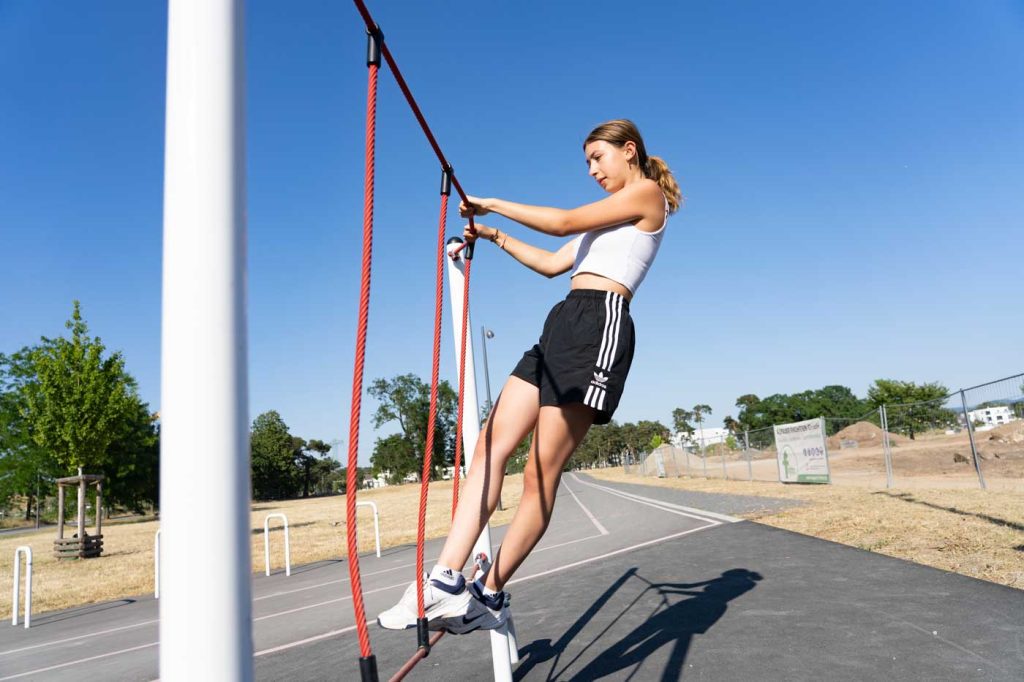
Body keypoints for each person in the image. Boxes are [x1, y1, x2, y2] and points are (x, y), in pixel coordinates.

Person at [377, 119, 682, 634]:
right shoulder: (603, 222)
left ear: (629, 151)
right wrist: (494, 236)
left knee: (540, 475)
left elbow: (562, 223)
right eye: (586, 163)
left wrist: (491, 203)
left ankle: (490, 590)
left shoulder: (647, 195)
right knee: (489, 448)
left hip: (599, 324)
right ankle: (446, 580)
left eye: (597, 158)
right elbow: (551, 262)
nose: (591, 170)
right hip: (562, 323)